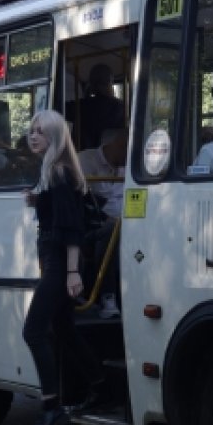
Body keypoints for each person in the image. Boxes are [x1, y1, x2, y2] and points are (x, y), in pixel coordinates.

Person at [21, 110, 103, 425]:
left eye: (40, 131)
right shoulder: (53, 172)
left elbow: (72, 229)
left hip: (60, 263)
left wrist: (72, 273)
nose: (33, 136)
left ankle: (51, 408)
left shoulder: (58, 172)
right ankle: (99, 384)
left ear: (55, 137)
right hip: (56, 260)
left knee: (34, 332)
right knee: (64, 329)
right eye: (31, 131)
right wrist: (36, 200)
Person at [77, 129, 127, 317]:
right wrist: (107, 218)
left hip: (126, 221)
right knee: (111, 230)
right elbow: (82, 203)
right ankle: (108, 297)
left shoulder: (128, 165)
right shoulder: (84, 161)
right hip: (91, 224)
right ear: (118, 146)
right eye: (127, 151)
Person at [76, 63, 126, 150]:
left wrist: (88, 93)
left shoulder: (81, 106)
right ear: (109, 82)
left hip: (83, 154)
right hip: (111, 156)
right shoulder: (120, 106)